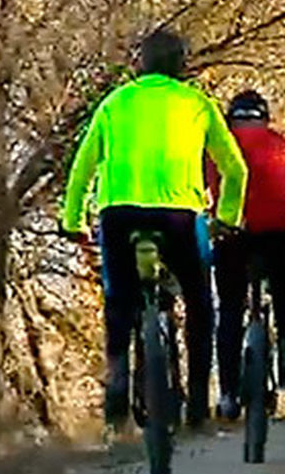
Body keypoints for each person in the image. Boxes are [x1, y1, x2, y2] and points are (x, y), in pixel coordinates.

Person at [61, 29, 248, 429]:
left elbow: (82, 168)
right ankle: (198, 399)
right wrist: (228, 218)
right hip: (181, 214)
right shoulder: (197, 103)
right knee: (200, 303)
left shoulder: (115, 103)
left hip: (119, 212)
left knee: (118, 300)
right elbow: (235, 169)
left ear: (139, 64)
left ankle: (116, 382)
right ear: (182, 66)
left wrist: (72, 220)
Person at [207, 90, 285, 422]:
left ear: (231, 118)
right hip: (278, 235)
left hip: (232, 233)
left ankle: (228, 395)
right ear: (265, 116)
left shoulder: (217, 146)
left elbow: (198, 190)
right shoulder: (283, 144)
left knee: (230, 310)